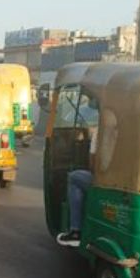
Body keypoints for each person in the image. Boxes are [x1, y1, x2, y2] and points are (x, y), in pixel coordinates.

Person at [57, 97, 98, 248]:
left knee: (74, 177)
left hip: (105, 182)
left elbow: (93, 163)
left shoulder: (101, 132)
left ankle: (75, 230)